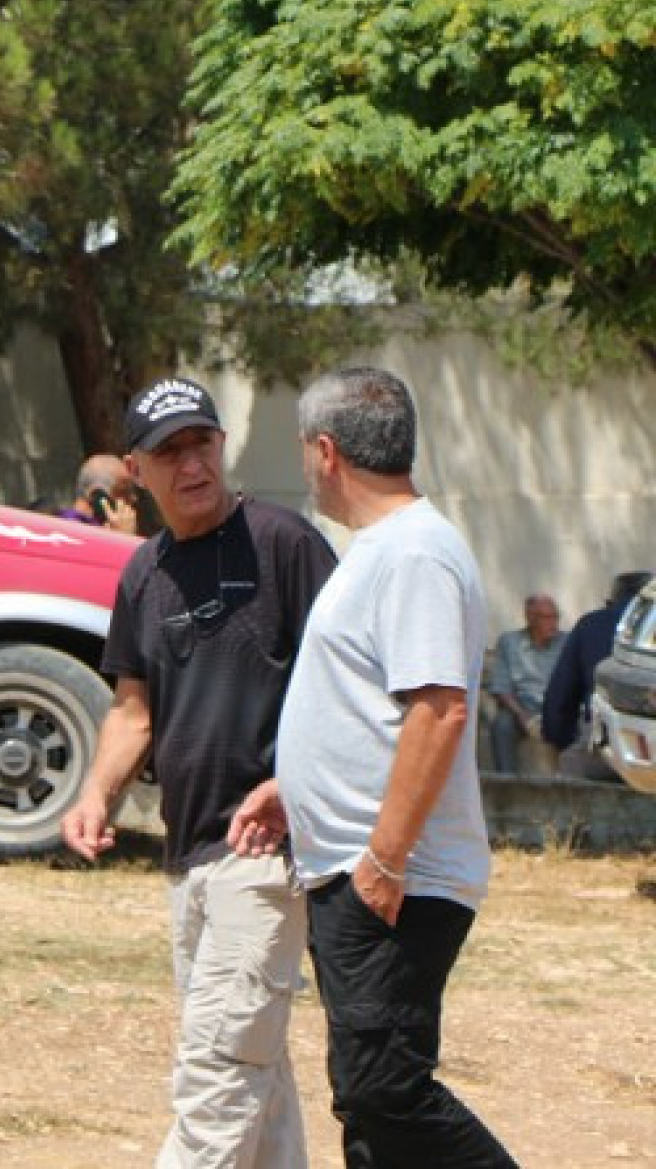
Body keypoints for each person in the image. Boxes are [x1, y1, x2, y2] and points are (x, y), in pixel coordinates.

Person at [64, 376, 335, 1168]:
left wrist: (297, 782)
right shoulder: (143, 573)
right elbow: (133, 712)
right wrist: (95, 791)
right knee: (256, 1074)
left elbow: (352, 684)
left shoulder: (284, 544)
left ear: (223, 445)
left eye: (202, 443)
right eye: (170, 451)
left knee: (217, 1076)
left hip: (266, 853)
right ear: (135, 470)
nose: (192, 464)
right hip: (186, 857)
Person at [277, 367, 515, 1166]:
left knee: (386, 1088)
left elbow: (438, 710)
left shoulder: (414, 552)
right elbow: (369, 705)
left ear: (326, 451)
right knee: (368, 1106)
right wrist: (292, 784)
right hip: (363, 869)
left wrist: (384, 857)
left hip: (394, 877)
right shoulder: (385, 550)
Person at [542, 570, 652, 781]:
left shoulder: (591, 624)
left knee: (571, 772)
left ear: (612, 600)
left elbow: (559, 697)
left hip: (605, 743)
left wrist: (561, 740)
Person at [481, 594, 564, 776]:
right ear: (530, 618)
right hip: (523, 707)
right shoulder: (509, 642)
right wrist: (521, 714)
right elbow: (501, 687)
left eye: (556, 617)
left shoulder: (566, 643)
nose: (554, 624)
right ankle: (506, 782)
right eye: (547, 618)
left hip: (557, 708)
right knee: (502, 725)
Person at [60, 452, 141, 534]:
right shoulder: (71, 528)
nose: (133, 498)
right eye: (123, 491)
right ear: (97, 495)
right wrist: (123, 536)